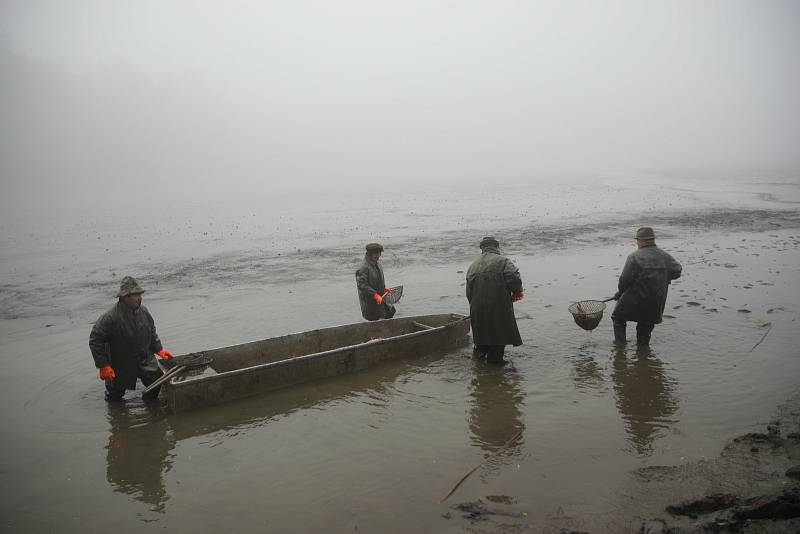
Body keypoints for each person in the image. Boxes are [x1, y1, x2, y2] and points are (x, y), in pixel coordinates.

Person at [89, 276, 174, 401]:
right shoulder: (110, 317)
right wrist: (103, 365)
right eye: (136, 295)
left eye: (140, 294)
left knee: (157, 383)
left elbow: (151, 330)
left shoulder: (144, 311)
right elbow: (95, 340)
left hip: (145, 359)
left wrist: (159, 349)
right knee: (115, 396)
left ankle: (151, 410)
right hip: (120, 363)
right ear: (125, 297)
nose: (140, 297)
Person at [611, 227, 682, 346]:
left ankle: (620, 347)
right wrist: (664, 277)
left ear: (641, 241)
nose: (637, 243)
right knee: (645, 325)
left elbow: (624, 280)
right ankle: (643, 350)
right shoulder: (665, 256)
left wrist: (620, 293)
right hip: (656, 300)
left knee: (618, 317)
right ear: (652, 240)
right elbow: (677, 271)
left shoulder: (634, 256)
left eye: (637, 240)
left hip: (635, 299)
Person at [465, 236, 523, 363]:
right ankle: (495, 373)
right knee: (498, 340)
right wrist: (518, 292)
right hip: (498, 308)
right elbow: (514, 277)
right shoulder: (503, 261)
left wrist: (475, 306)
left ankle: (479, 372)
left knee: (480, 343)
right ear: (496, 247)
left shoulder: (473, 265)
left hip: (477, 309)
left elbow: (468, 292)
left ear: (482, 248)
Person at [356, 243, 396, 321]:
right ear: (370, 254)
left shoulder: (377, 263)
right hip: (369, 302)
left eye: (380, 253)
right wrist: (374, 295)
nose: (379, 256)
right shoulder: (363, 268)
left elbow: (377, 280)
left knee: (390, 312)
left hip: (381, 298)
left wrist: (384, 289)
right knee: (374, 320)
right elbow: (362, 285)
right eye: (377, 254)